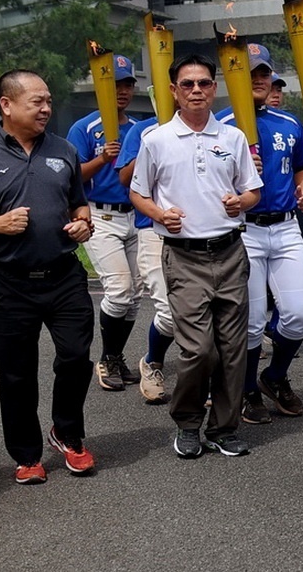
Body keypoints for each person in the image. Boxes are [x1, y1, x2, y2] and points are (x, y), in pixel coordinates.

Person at [0, 69, 97, 485]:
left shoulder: (64, 150)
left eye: (48, 101)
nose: (47, 108)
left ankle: (68, 433)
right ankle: (27, 454)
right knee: (16, 373)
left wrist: (84, 225)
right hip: (10, 280)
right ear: (7, 105)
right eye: (37, 101)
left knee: (75, 357)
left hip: (64, 275)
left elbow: (79, 206)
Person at [129, 54, 263, 459]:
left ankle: (224, 427)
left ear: (214, 87)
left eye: (204, 84)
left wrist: (241, 201)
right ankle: (188, 422)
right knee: (199, 349)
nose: (196, 91)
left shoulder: (233, 138)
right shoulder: (155, 140)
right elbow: (138, 193)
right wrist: (159, 214)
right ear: (173, 91)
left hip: (229, 252)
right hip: (184, 257)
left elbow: (253, 192)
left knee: (232, 348)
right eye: (187, 85)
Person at [218, 44, 303, 424]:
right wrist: (236, 170)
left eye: (264, 74)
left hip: (287, 226)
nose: (258, 80)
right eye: (250, 73)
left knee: (299, 314)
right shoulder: (221, 127)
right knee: (253, 321)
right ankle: (246, 390)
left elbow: (301, 169)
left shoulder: (289, 124)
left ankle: (274, 376)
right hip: (245, 230)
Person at [66, 55, 143, 392]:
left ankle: (115, 356)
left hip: (136, 215)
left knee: (136, 295)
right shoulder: (84, 127)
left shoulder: (139, 127)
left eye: (127, 84)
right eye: (115, 85)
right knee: (120, 290)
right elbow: (71, 177)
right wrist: (102, 158)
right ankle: (107, 358)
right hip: (100, 215)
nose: (122, 91)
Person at [115, 115, 175, 404]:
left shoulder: (221, 132)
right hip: (153, 228)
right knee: (170, 314)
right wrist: (153, 149)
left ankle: (206, 379)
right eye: (185, 84)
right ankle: (152, 361)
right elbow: (126, 179)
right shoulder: (143, 130)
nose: (194, 91)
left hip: (200, 231)